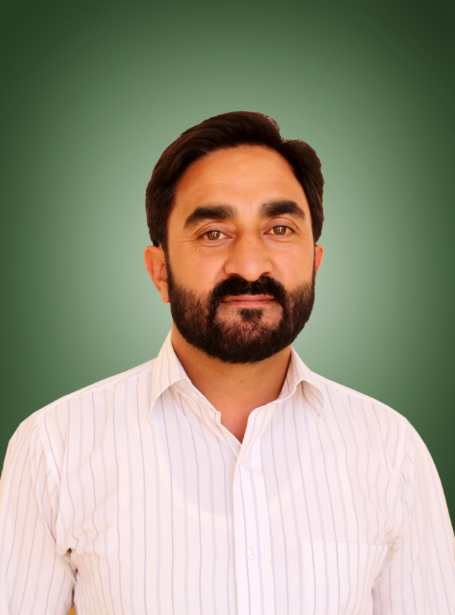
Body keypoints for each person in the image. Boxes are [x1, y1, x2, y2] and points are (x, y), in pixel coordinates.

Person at [0, 111, 454, 615]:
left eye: (279, 228)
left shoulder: (391, 451)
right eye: (214, 233)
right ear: (160, 271)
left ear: (315, 261)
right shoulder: (55, 448)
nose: (250, 265)